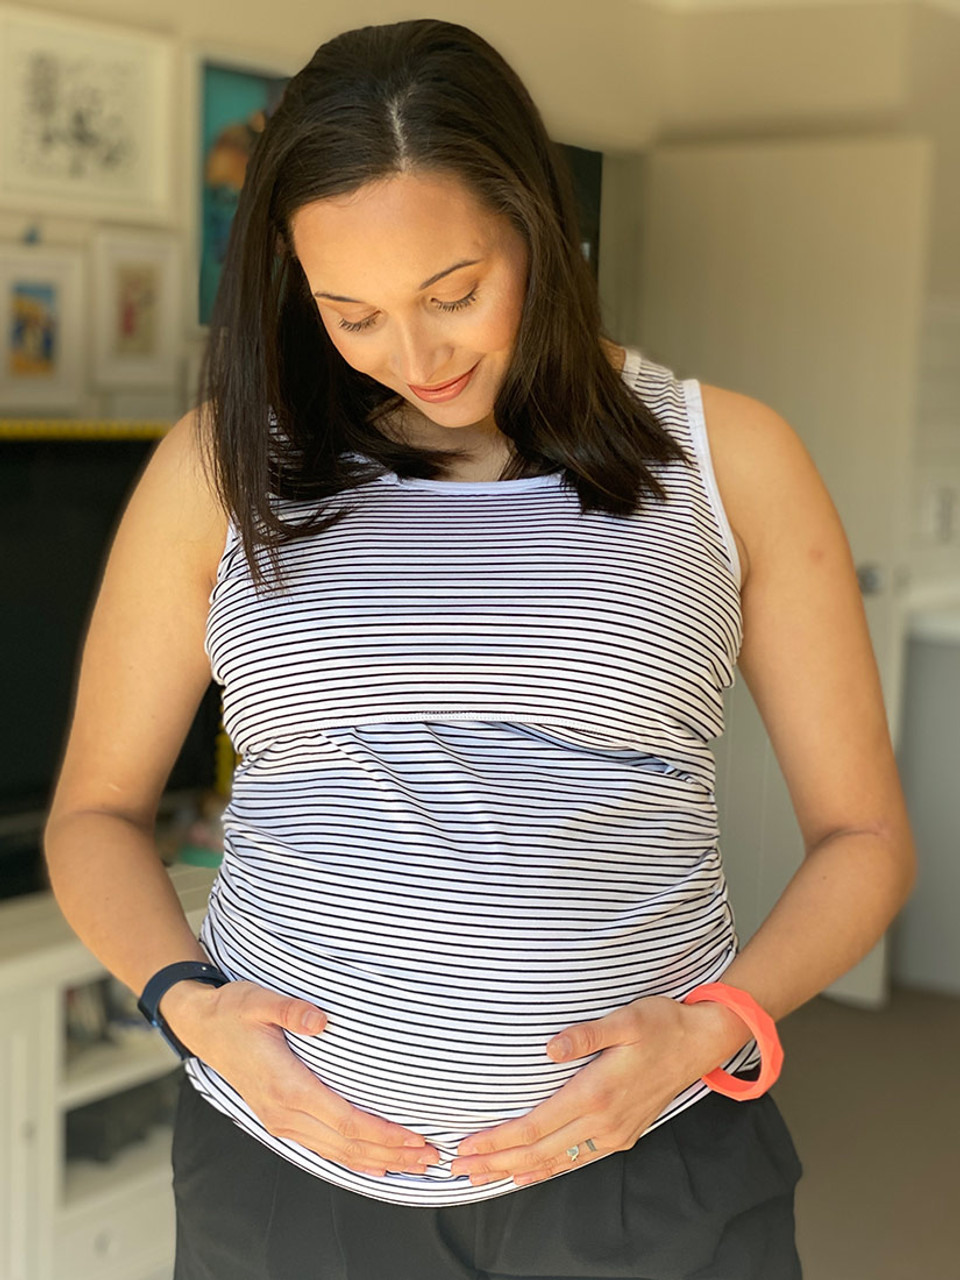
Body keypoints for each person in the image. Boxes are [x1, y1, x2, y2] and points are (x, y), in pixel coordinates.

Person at [43, 17, 917, 1280]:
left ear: (539, 230)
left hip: (646, 1168)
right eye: (352, 312)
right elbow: (95, 813)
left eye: (454, 292)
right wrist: (191, 1008)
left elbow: (867, 840)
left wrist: (710, 1028)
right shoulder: (219, 467)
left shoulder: (732, 461)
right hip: (285, 1177)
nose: (417, 354)